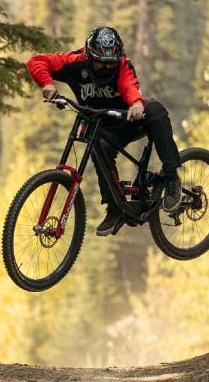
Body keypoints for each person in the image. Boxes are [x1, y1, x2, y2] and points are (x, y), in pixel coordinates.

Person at [26, 26, 182, 235]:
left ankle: (171, 177)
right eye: (101, 63)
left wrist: (136, 104)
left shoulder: (123, 65)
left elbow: (129, 86)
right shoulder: (75, 62)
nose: (106, 69)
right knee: (98, 145)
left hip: (129, 120)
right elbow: (37, 61)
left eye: (111, 64)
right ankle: (115, 208)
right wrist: (47, 83)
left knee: (155, 110)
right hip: (104, 126)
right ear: (89, 57)